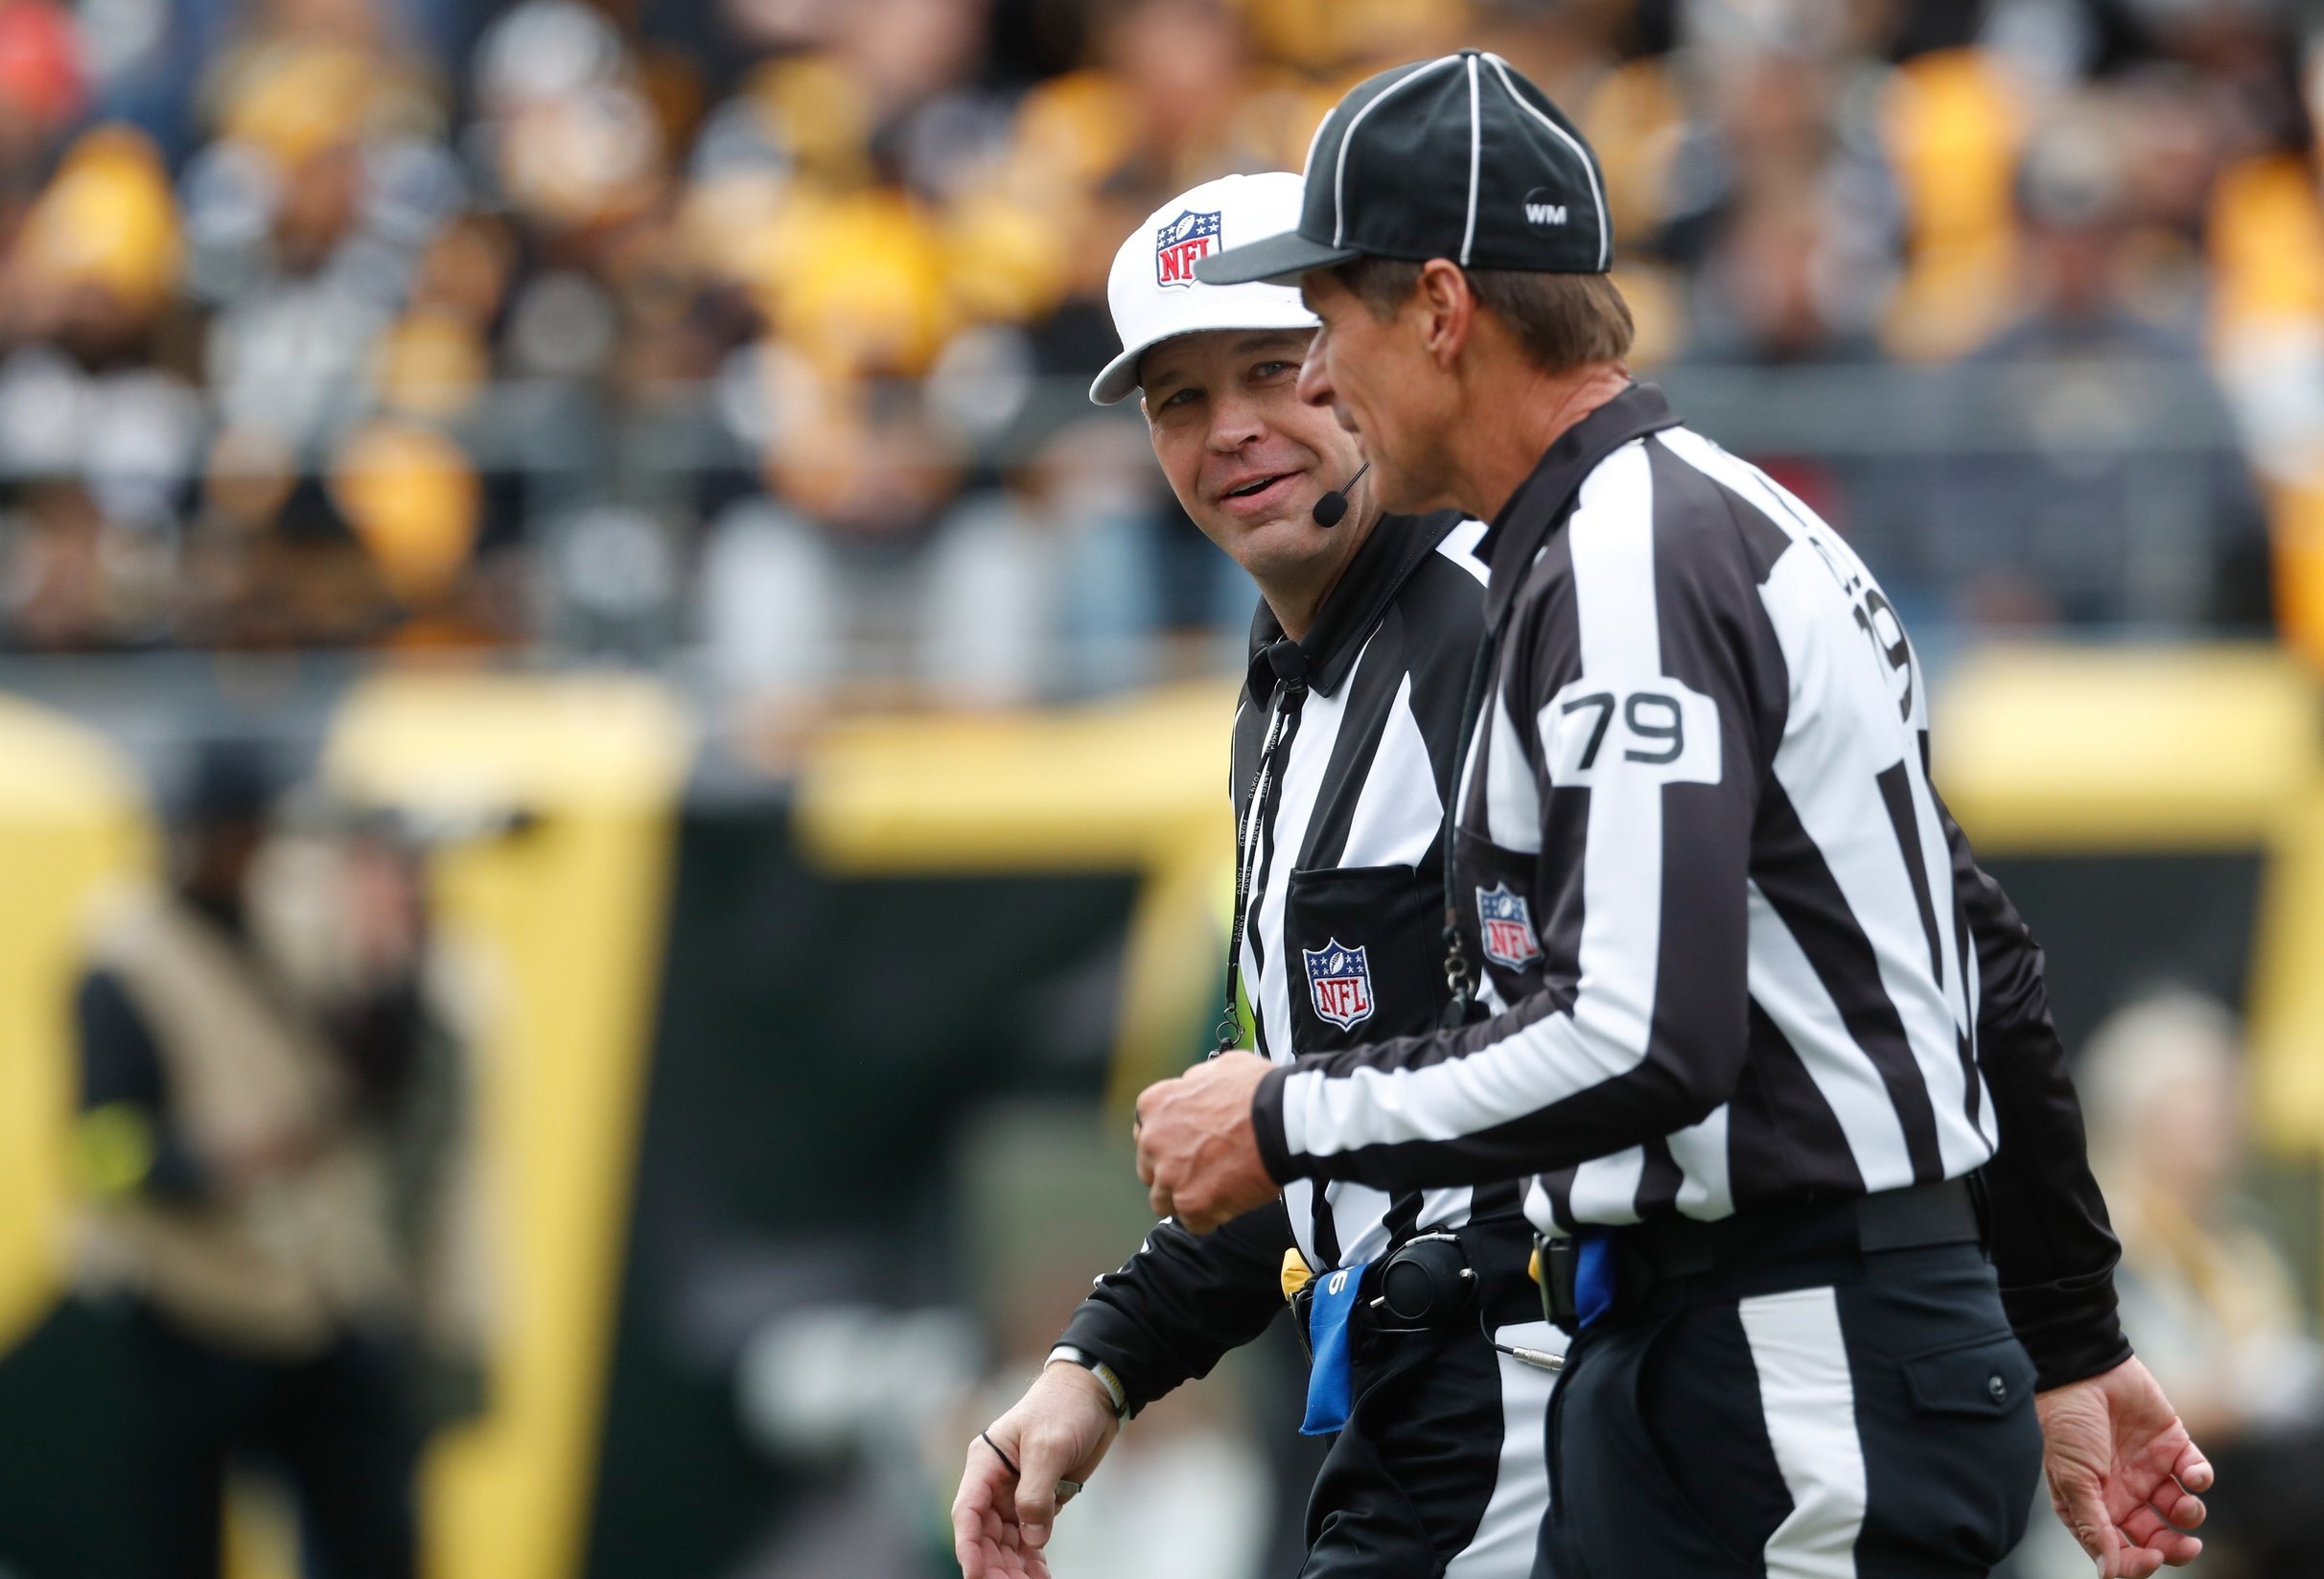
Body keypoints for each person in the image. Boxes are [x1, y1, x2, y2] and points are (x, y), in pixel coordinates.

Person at [1137, 51, 2212, 1579]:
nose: (1316, 379)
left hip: (1794, 1356)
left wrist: (1279, 1110)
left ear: (1441, 311)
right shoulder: (1676, 525)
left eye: (1329, 327)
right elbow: (1989, 963)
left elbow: (1645, 1033)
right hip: (1751, 1352)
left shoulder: (1630, 557)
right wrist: (2071, 1331)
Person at [952, 172, 1561, 1579]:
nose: (1231, 431)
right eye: (1177, 399)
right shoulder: (1286, 689)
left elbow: (1611, 1060)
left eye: (1273, 369)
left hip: (1558, 1419)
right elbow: (1306, 1134)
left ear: (1362, 351)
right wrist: (1095, 1365)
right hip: (1418, 1416)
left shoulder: (1502, 626)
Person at [70, 744, 485, 1579]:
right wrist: (210, 1168)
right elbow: (100, 1148)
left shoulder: (297, 923)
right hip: (193, 1299)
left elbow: (381, 1081)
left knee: (375, 1525)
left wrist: (393, 959)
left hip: (321, 1286)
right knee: (178, 1537)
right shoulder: (124, 958)